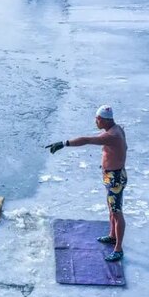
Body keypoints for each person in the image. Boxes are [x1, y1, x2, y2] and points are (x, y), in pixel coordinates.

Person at [46, 105, 128, 261]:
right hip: (112, 175)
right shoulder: (116, 129)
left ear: (104, 120)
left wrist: (64, 143)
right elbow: (124, 148)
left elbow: (86, 140)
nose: (95, 122)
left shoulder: (112, 135)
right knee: (112, 208)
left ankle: (118, 249)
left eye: (97, 119)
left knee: (117, 212)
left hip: (115, 178)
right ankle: (112, 236)